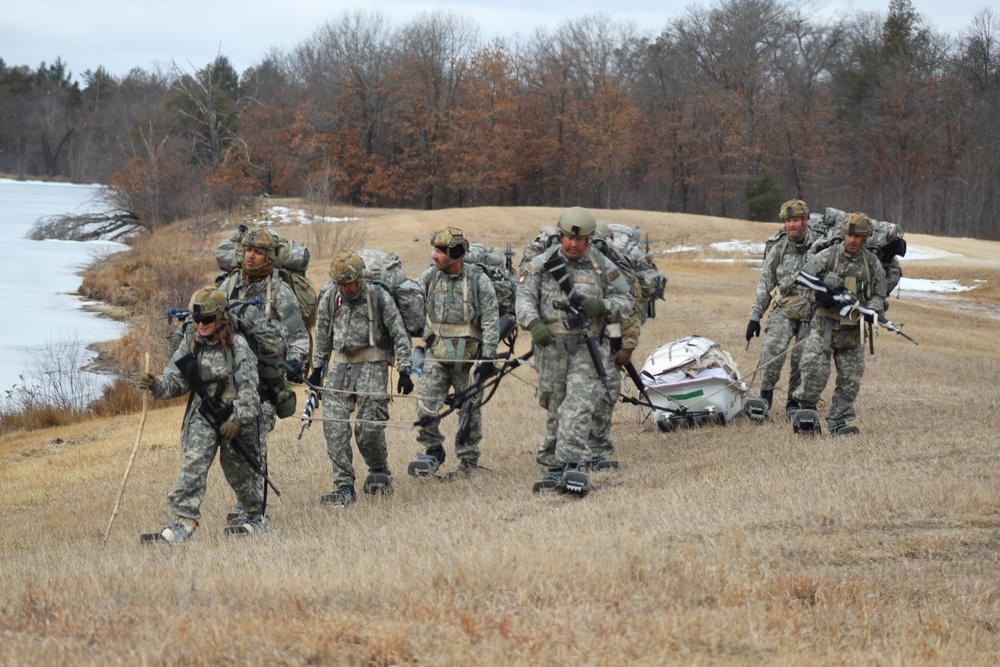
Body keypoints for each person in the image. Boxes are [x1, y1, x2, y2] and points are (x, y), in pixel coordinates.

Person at [516, 207, 634, 493]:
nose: (574, 244)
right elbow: (523, 298)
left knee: (579, 404)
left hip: (587, 344)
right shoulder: (541, 264)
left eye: (580, 240)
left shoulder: (602, 265)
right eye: (569, 237)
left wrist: (603, 306)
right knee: (555, 406)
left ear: (589, 239)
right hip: (550, 346)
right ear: (560, 235)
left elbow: (627, 300)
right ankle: (553, 466)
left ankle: (572, 465)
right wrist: (533, 324)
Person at [137, 287, 265, 542]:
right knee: (193, 464)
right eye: (196, 320)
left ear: (221, 318)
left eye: (206, 320)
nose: (201, 325)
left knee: (239, 471)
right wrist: (155, 384)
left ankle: (254, 516)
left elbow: (251, 391)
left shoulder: (238, 345)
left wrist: (237, 420)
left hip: (234, 415)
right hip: (203, 415)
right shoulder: (191, 341)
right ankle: (183, 523)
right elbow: (177, 381)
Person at [307, 252, 414, 506]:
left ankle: (378, 469)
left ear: (360, 278)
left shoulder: (378, 297)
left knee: (368, 427)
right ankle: (344, 486)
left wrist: (405, 370)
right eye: (340, 283)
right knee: (333, 425)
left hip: (372, 364)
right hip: (341, 367)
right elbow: (322, 334)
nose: (344, 288)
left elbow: (399, 334)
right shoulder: (332, 298)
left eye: (348, 283)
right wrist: (317, 367)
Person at [218, 228, 310, 519]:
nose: (250, 254)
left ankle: (253, 511)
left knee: (255, 441)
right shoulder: (230, 285)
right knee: (233, 447)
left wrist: (295, 362)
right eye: (247, 249)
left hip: (265, 381)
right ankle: (246, 502)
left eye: (257, 251)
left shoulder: (280, 292)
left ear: (269, 256)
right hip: (230, 381)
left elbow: (299, 336)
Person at [409, 227, 500, 479]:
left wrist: (488, 357)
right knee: (425, 406)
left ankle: (468, 462)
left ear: (454, 253)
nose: (434, 255)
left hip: (469, 358)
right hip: (436, 356)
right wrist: (427, 335)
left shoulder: (478, 280)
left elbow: (492, 319)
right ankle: (433, 451)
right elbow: (411, 307)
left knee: (469, 410)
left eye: (439, 251)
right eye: (434, 250)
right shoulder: (428, 278)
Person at [791, 213, 887, 435]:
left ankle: (839, 420)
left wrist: (872, 309)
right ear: (843, 234)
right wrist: (818, 297)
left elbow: (880, 295)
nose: (852, 240)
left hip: (853, 333)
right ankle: (806, 412)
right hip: (824, 328)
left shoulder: (872, 264)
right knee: (813, 373)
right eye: (849, 234)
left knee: (850, 380)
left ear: (866, 237)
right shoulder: (828, 257)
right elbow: (803, 283)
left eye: (858, 236)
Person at [744, 200, 825, 419]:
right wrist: (755, 318)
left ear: (805, 220)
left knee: (802, 357)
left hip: (812, 311)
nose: (792, 225)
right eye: (788, 221)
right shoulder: (777, 247)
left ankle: (794, 402)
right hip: (784, 307)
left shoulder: (821, 246)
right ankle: (765, 396)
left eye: (796, 220)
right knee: (772, 347)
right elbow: (765, 284)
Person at [586, 220, 644, 471]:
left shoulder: (617, 269)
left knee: (607, 393)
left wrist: (627, 347)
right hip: (575, 341)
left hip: (610, 340)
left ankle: (598, 451)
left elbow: (632, 308)